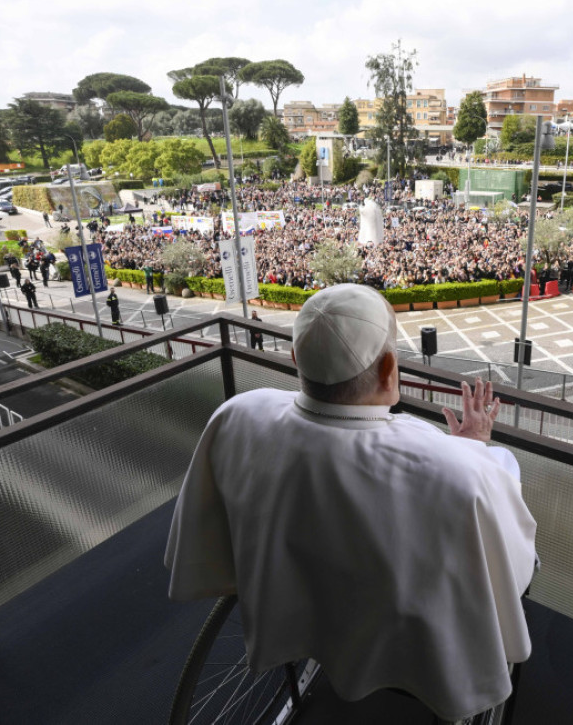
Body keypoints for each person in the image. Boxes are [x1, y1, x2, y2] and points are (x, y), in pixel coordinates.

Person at [165, 284, 536, 722]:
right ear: (388, 369)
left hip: (289, 598)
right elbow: (512, 567)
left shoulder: (241, 412)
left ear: (297, 359)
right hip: (407, 640)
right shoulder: (457, 470)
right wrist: (474, 447)